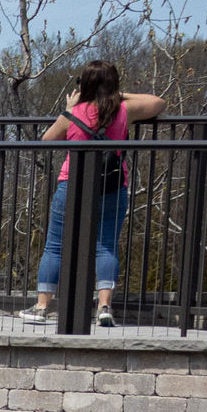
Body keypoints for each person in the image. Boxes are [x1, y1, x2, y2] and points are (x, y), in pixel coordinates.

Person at [35, 60, 161, 321]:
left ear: (85, 84)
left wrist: (68, 109)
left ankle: (41, 307)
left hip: (72, 183)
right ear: (113, 83)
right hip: (112, 186)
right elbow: (158, 102)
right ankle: (104, 308)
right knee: (106, 246)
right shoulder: (125, 110)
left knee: (55, 247)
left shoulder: (75, 111)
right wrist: (117, 94)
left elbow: (47, 139)